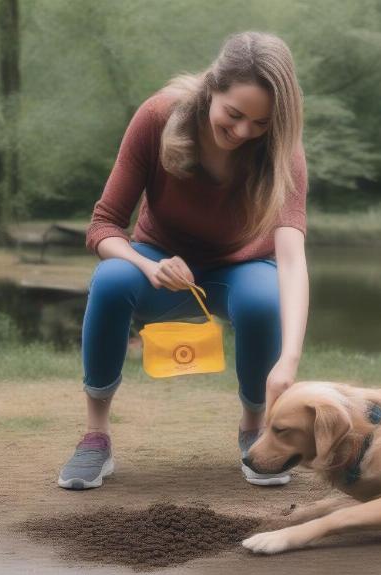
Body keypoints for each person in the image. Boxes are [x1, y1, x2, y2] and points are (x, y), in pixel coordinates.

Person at [58, 31, 309, 490]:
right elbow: (104, 226)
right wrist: (146, 266)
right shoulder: (158, 117)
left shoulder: (281, 148)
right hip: (157, 261)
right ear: (212, 86)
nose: (243, 133)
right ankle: (96, 437)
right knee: (112, 279)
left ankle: (253, 429)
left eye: (260, 123)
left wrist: (289, 359)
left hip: (242, 267)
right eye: (233, 115)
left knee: (262, 302)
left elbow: (292, 260)